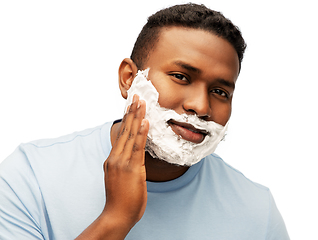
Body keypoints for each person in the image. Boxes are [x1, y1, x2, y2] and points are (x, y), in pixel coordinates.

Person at [0, 3, 289, 240]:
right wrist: (116, 218)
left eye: (219, 92)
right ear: (129, 79)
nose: (201, 106)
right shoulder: (31, 177)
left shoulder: (256, 211)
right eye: (181, 77)